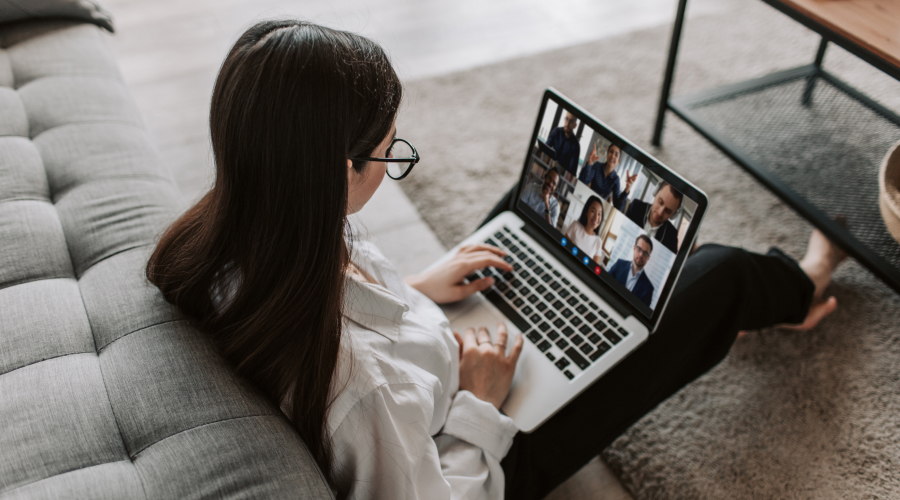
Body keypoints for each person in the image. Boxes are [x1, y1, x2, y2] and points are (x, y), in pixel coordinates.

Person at [146, 19, 848, 500]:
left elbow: (340, 311)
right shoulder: (362, 391)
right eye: (389, 153)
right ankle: (802, 286)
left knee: (532, 213)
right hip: (489, 451)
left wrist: (415, 290)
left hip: (433, 358)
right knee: (719, 276)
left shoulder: (245, 231)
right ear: (336, 171)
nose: (394, 159)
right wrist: (481, 401)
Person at [626, 181, 682, 253]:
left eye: (668, 211)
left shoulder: (672, 235)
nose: (660, 212)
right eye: (660, 202)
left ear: (673, 215)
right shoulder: (636, 207)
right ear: (655, 193)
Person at [577, 143, 636, 211]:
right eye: (611, 152)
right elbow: (583, 182)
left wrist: (627, 189)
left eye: (616, 155)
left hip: (600, 210)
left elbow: (618, 207)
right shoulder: (597, 166)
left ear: (618, 161)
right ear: (607, 153)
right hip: (587, 201)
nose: (612, 156)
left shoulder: (616, 179)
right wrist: (590, 162)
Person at [608, 234, 655, 307]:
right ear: (634, 248)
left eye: (645, 253)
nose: (641, 255)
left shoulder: (648, 289)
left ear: (648, 258)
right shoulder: (619, 265)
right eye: (639, 249)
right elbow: (604, 284)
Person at [537, 112, 581, 176]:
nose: (567, 123)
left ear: (575, 125)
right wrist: (540, 149)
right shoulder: (556, 131)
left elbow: (572, 171)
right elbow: (546, 148)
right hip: (548, 168)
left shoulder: (576, 146)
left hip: (560, 176)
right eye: (566, 119)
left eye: (571, 121)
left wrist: (561, 166)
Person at [564, 195, 605, 263]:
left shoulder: (598, 241)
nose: (596, 217)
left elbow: (593, 267)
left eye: (599, 214)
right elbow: (562, 247)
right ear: (586, 212)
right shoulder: (575, 225)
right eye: (593, 211)